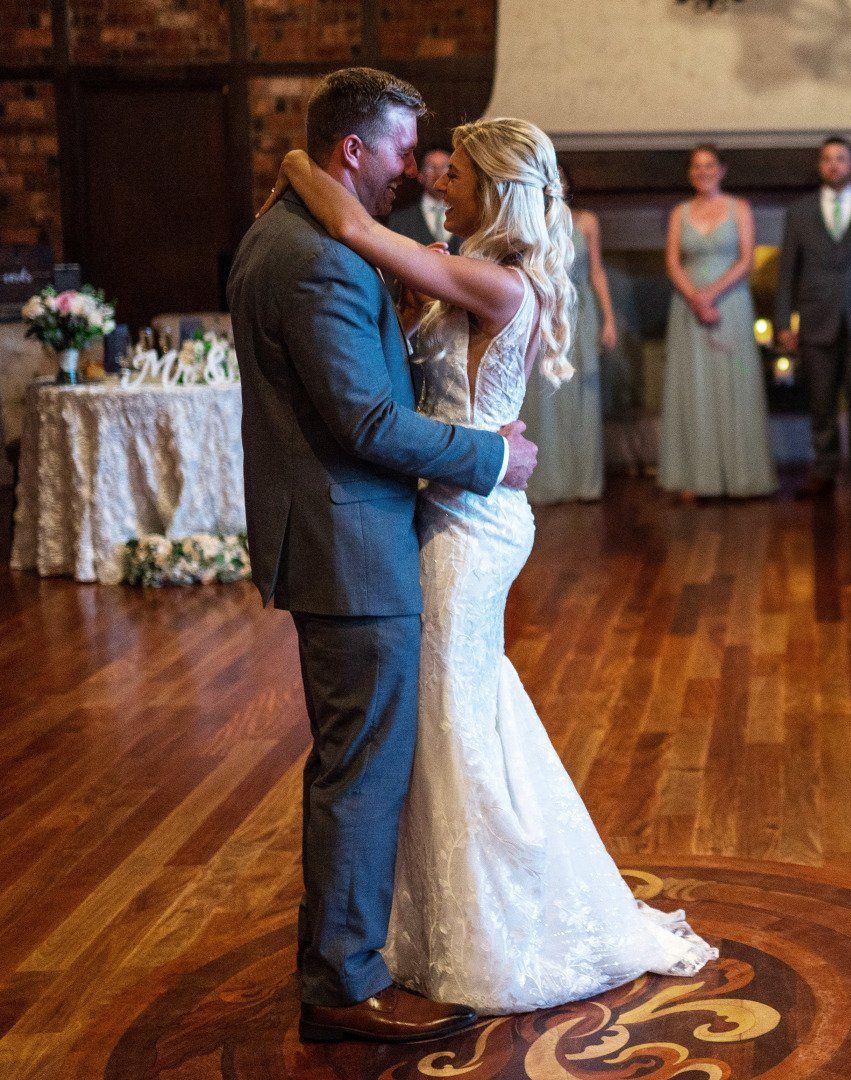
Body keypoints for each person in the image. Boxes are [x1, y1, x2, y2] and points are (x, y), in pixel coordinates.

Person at [269, 105, 719, 1014]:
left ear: (499, 190)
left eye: (460, 176)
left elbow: (355, 226)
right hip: (449, 499)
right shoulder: (472, 276)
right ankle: (426, 914)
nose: (441, 182)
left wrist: (289, 154)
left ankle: (493, 920)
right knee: (447, 706)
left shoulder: (504, 284)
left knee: (444, 708)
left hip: (473, 521)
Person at [230, 69, 526, 1045]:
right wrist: (493, 456)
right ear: (351, 151)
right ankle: (343, 984)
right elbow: (362, 418)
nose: (415, 167)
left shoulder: (297, 231)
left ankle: (345, 955)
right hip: (349, 543)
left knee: (355, 757)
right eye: (402, 148)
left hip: (340, 533)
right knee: (360, 767)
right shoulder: (315, 257)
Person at [775, 138, 851, 496]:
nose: (833, 165)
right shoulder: (799, 211)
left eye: (841, 159)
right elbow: (787, 272)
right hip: (816, 318)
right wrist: (783, 321)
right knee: (821, 399)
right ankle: (824, 467)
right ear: (820, 166)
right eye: (827, 160)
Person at [660, 144, 776, 500]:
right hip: (688, 305)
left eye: (710, 166)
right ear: (689, 173)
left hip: (730, 303)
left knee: (734, 384)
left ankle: (740, 477)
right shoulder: (680, 212)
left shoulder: (739, 208)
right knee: (693, 387)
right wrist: (695, 297)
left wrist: (710, 294)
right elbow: (673, 262)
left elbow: (746, 260)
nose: (703, 172)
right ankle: (694, 479)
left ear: (722, 170)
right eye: (696, 167)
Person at [519, 165, 617, 505]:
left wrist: (609, 320)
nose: (555, 183)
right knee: (543, 397)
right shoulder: (525, 219)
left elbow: (597, 273)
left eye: (560, 176)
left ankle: (582, 483)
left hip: (579, 313)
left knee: (580, 396)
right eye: (548, 177)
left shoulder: (586, 221)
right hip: (543, 313)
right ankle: (542, 483)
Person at [386, 147, 459, 253]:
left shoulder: (470, 218)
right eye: (431, 167)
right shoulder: (399, 221)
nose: (438, 174)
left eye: (445, 167)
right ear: (420, 176)